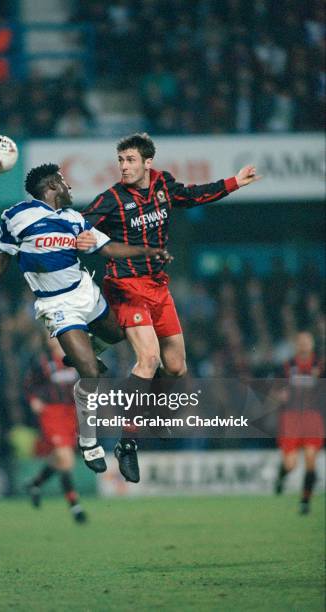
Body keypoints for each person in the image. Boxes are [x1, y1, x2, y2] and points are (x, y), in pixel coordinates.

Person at [79, 132, 261, 482]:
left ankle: (149, 405)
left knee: (176, 368)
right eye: (120, 160)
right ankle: (127, 444)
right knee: (148, 359)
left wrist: (235, 182)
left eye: (130, 160)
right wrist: (77, 236)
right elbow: (80, 224)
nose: (124, 166)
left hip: (159, 288)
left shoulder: (163, 185)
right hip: (125, 286)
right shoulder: (111, 199)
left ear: (148, 163)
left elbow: (192, 196)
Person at [0, 163, 171, 478]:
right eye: (64, 181)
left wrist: (146, 251)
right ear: (52, 184)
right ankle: (89, 441)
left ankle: (85, 349)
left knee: (118, 335)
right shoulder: (16, 217)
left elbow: (108, 248)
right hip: (56, 305)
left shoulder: (73, 219)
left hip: (84, 291)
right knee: (90, 371)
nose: (69, 186)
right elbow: (3, 258)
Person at [24, 334, 87, 523]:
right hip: (52, 413)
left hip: (71, 413)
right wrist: (33, 400)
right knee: (65, 457)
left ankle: (35, 484)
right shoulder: (43, 361)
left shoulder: (76, 359)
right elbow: (28, 384)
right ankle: (75, 505)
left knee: (60, 457)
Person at [274, 331, 324, 514]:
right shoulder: (287, 366)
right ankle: (281, 475)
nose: (304, 345)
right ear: (296, 345)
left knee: (311, 460)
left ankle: (305, 501)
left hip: (312, 417)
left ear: (311, 344)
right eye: (300, 342)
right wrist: (280, 395)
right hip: (291, 418)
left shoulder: (320, 365)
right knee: (291, 464)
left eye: (307, 342)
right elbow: (276, 389)